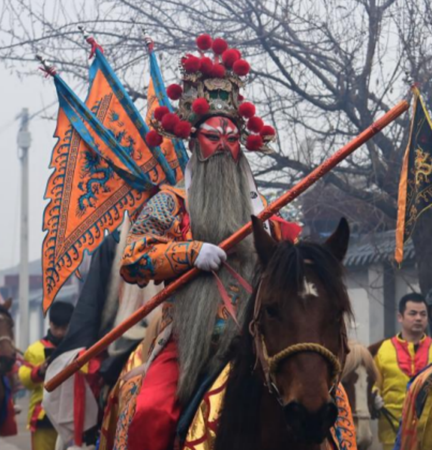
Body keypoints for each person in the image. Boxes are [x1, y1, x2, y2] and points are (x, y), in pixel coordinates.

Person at [117, 34, 301, 450]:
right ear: (191, 140)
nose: (223, 145)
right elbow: (132, 259)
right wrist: (189, 253)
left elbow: (288, 257)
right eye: (212, 135)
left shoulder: (260, 206)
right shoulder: (171, 203)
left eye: (232, 138)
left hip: (257, 339)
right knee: (149, 413)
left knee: (330, 402)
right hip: (185, 342)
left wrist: (280, 232)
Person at [371, 293, 432, 450]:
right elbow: (374, 385)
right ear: (400, 317)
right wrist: (374, 396)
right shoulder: (382, 350)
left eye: (423, 314)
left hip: (431, 434)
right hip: (391, 432)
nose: (418, 318)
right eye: (412, 313)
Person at [20, 301, 74, 450]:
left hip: (72, 416)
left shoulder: (80, 348)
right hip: (43, 416)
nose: (59, 333)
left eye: (64, 328)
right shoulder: (35, 350)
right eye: (56, 327)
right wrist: (40, 371)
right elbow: (25, 379)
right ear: (49, 323)